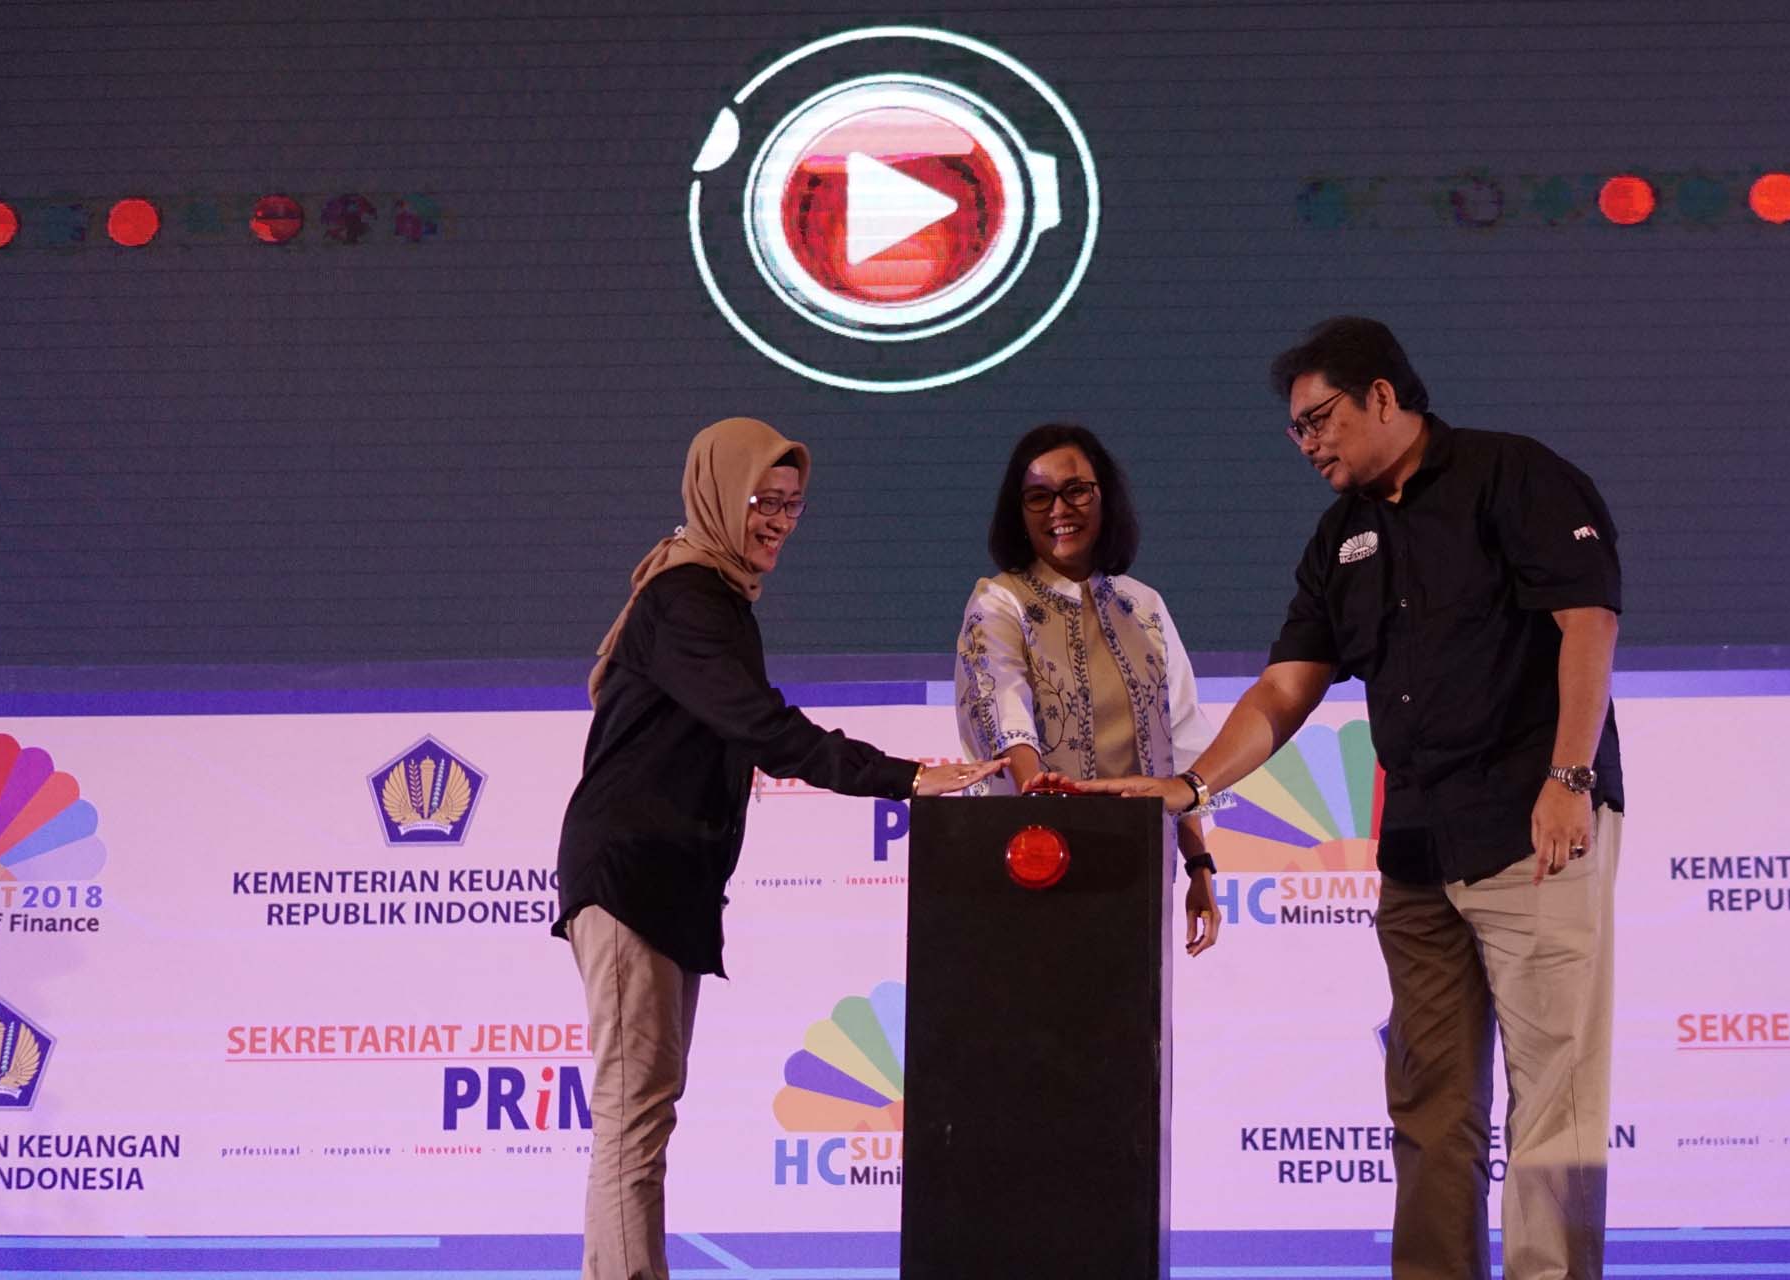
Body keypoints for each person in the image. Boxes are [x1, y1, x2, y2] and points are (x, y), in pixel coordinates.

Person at [1079, 319, 1626, 1279]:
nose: (1307, 443)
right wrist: (1193, 784)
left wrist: (1569, 778)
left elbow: (1588, 622)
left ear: (1382, 395)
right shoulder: (1339, 539)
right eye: (1295, 430)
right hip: (1415, 851)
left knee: (1554, 1094)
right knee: (1427, 1101)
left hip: (1532, 826)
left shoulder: (1512, 475)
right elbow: (1286, 687)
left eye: (1319, 419)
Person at [552, 417, 1000, 1280]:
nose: (778, 521)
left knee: (643, 1109)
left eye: (792, 505)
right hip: (632, 872)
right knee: (632, 1112)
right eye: (763, 500)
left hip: (665, 878)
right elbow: (763, 728)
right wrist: (902, 776)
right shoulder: (687, 598)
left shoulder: (713, 594)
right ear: (720, 492)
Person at [954, 422, 1221, 956]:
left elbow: (1183, 747)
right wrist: (1041, 801)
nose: (1059, 509)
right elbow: (1004, 716)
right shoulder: (999, 601)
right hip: (1032, 863)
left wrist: (1199, 865)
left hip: (1140, 865)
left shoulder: (1144, 606)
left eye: (1076, 490)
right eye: (1038, 497)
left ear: (1104, 496)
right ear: (1018, 512)